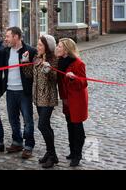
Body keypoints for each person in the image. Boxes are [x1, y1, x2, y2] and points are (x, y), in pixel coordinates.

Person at [3, 27, 37, 159]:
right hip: (10, 90)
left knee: (28, 120)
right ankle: (17, 142)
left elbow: (35, 71)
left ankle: (28, 146)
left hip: (24, 92)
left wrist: (28, 63)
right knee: (13, 119)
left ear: (16, 37)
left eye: (8, 36)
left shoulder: (30, 51)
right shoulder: (6, 51)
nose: (6, 39)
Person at [55, 38, 88, 167]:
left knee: (77, 127)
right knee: (70, 125)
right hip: (66, 99)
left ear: (66, 50)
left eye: (59, 46)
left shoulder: (78, 64)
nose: (57, 48)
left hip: (76, 100)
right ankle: (72, 151)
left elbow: (84, 82)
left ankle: (77, 154)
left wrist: (73, 78)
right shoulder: (61, 62)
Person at [27, 35, 59, 168]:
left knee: (42, 125)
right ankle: (51, 153)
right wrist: (24, 63)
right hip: (38, 97)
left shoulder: (54, 60)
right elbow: (30, 75)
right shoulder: (36, 58)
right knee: (46, 126)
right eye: (38, 44)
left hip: (48, 98)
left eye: (40, 45)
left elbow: (55, 79)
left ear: (47, 47)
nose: (37, 47)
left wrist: (49, 70)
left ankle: (51, 155)